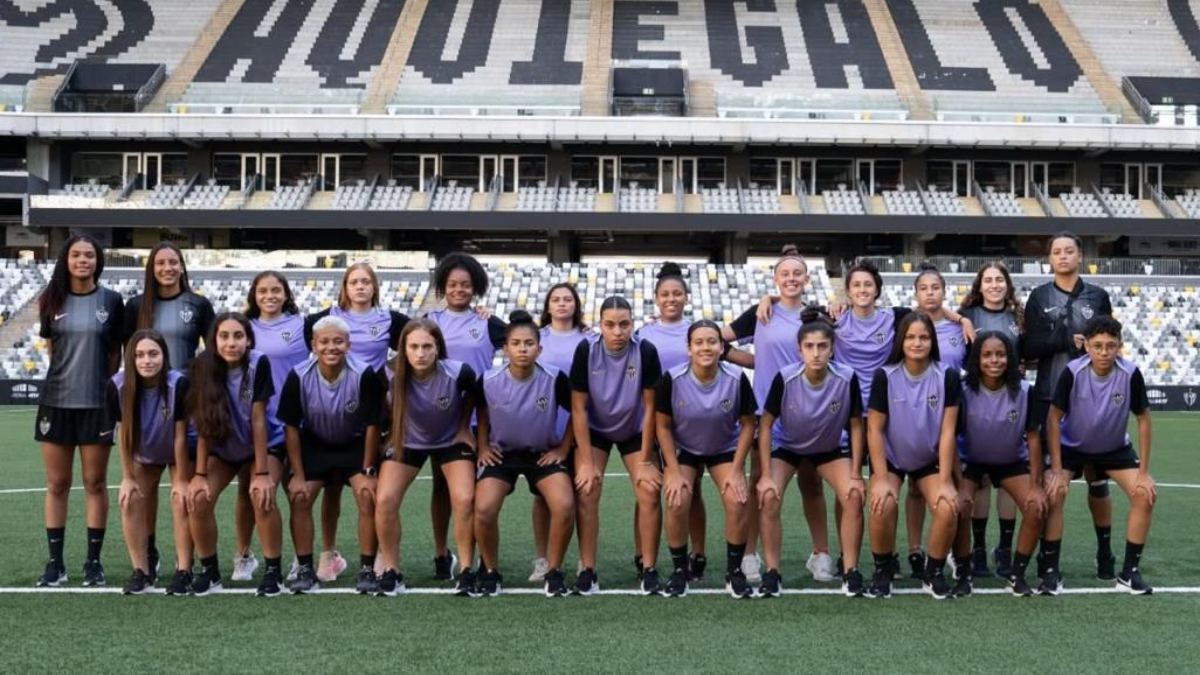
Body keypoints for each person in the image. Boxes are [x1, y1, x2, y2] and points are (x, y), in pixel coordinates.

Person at [304, 262, 408, 583]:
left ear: (374, 286)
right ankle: (329, 554)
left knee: (374, 488)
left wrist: (388, 373)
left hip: (373, 414)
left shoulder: (390, 319)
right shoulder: (325, 317)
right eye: (354, 282)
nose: (360, 286)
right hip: (334, 411)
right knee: (331, 487)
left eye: (366, 281)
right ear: (345, 287)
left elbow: (421, 340)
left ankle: (381, 552)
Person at [1024, 232, 1117, 580]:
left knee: (1097, 478)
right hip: (1050, 398)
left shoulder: (1098, 296)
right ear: (1049, 259)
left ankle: (1105, 552)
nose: (1063, 256)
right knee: (1052, 481)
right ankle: (1049, 559)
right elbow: (1029, 347)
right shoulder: (1039, 297)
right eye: (1057, 252)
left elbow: (1109, 341)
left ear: (1080, 256)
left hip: (1092, 400)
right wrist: (1064, 340)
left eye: (1069, 251)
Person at [123, 242, 217, 582]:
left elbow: (212, 353)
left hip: (185, 406)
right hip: (146, 408)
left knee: (182, 492)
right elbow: (128, 354)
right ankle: (147, 554)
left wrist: (202, 391)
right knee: (143, 490)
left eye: (173, 262)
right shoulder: (136, 306)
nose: (167, 268)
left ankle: (184, 563)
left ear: (182, 266)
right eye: (160, 262)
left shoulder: (198, 304)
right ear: (151, 268)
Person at [730, 246, 825, 583]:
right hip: (766, 413)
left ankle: (820, 554)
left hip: (809, 411)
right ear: (775, 279)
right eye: (785, 274)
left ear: (807, 279)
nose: (791, 279)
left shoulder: (816, 315)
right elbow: (720, 340)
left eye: (797, 273)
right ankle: (750, 554)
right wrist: (758, 363)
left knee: (812, 482)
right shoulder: (760, 312)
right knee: (760, 481)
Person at [756, 309, 866, 597]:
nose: (816, 353)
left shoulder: (846, 377)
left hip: (829, 449)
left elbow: (856, 424)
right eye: (809, 346)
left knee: (853, 495)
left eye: (822, 346)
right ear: (799, 349)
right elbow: (765, 424)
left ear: (832, 348)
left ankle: (850, 571)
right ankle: (772, 572)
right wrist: (765, 475)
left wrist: (856, 474)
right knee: (768, 496)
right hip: (788, 447)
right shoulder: (785, 378)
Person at [34, 235, 124, 587]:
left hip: (96, 405)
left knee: (94, 482)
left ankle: (93, 563)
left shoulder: (111, 300)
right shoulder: (51, 299)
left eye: (89, 255)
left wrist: (101, 386)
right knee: (57, 483)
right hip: (56, 402)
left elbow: (115, 352)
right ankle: (55, 563)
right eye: (76, 255)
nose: (83, 260)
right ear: (66, 260)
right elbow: (52, 350)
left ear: (97, 261)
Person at [1044, 316, 1156, 595]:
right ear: (1087, 347)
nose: (1104, 352)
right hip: (1072, 447)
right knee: (1054, 493)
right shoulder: (1073, 372)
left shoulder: (1130, 373)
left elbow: (1143, 418)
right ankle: (1050, 571)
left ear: (1120, 346)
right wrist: (1056, 469)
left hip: (1113, 448)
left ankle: (1129, 573)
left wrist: (1144, 472)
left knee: (1145, 494)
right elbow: (1053, 418)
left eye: (1110, 346)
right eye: (1097, 346)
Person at [474, 311, 576, 597]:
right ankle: (491, 571)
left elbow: (577, 412)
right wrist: (483, 446)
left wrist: (563, 448)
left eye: (529, 343)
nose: (522, 349)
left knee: (564, 505)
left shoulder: (554, 378)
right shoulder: (489, 379)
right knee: (483, 509)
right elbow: (481, 412)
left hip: (542, 454)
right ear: (505, 349)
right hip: (502, 455)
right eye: (516, 344)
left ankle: (553, 571)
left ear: (539, 349)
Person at [279, 316, 384, 595]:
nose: (331, 347)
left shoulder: (364, 374)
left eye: (338, 341)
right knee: (299, 496)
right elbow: (291, 427)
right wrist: (297, 474)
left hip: (355, 445)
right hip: (316, 444)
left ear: (348, 344)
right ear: (313, 345)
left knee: (367, 494)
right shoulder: (298, 375)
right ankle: (305, 569)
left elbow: (373, 425)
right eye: (324, 341)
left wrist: (368, 469)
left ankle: (367, 568)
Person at [375, 319, 479, 596]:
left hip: (449, 441)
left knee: (464, 498)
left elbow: (474, 396)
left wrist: (463, 428)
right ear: (403, 348)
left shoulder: (458, 372)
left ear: (438, 348)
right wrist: (389, 433)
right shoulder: (387, 373)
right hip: (409, 441)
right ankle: (392, 570)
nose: (420, 353)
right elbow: (378, 408)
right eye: (413, 347)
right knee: (384, 499)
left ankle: (466, 570)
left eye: (427, 346)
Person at [655, 320, 757, 598]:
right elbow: (662, 426)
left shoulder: (736, 378)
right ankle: (680, 571)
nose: (705, 347)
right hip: (685, 448)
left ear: (722, 347)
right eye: (698, 342)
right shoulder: (672, 379)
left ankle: (734, 573)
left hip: (723, 447)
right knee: (677, 498)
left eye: (712, 341)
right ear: (688, 348)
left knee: (737, 499)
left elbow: (749, 424)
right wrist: (673, 470)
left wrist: (737, 469)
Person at [185, 313, 285, 596]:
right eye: (224, 336)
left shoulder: (258, 362)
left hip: (263, 445)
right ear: (214, 341)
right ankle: (210, 571)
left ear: (248, 340)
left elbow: (258, 420)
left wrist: (262, 473)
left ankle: (273, 571)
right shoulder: (202, 366)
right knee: (199, 499)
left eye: (238, 336)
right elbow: (204, 424)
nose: (231, 343)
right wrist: (199, 474)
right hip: (224, 448)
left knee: (261, 495)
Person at [570, 296, 662, 595]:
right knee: (587, 489)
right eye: (610, 325)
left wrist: (646, 461)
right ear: (600, 325)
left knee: (649, 491)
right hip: (596, 428)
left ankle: (648, 567)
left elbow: (650, 408)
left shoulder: (645, 350)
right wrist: (586, 462)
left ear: (632, 324)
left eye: (624, 324)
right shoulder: (586, 349)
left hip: (634, 428)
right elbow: (578, 409)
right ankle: (587, 568)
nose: (617, 331)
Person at [865, 312, 960, 600]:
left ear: (932, 341)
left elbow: (948, 431)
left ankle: (933, 571)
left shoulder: (947, 376)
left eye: (924, 337)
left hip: (929, 459)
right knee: (882, 502)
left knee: (948, 507)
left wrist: (945, 480)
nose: (917, 343)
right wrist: (881, 478)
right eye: (910, 337)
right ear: (900, 341)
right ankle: (883, 570)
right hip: (892, 459)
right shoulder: (885, 375)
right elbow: (874, 429)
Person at [426, 252, 506, 581]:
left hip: (475, 421)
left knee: (470, 491)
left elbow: (527, 339)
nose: (459, 290)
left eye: (466, 285)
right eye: (453, 284)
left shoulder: (488, 323)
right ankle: (440, 553)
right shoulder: (430, 321)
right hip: (435, 418)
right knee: (440, 487)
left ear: (476, 288)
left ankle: (474, 556)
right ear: (443, 287)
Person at [950, 332, 1046, 597]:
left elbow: (1034, 439)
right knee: (960, 507)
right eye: (987, 355)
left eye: (1001, 354)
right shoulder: (963, 390)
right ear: (977, 359)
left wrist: (1036, 485)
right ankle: (964, 571)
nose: (994, 360)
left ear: (1010, 358)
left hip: (1010, 461)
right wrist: (958, 483)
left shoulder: (1024, 391)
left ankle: (1017, 573)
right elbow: (948, 438)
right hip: (971, 461)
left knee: (1036, 508)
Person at [235, 271, 310, 583]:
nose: (269, 296)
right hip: (257, 425)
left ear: (286, 293)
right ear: (254, 295)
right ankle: (243, 555)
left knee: (297, 494)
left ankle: (301, 559)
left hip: (297, 423)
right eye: (263, 290)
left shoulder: (302, 325)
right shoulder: (243, 328)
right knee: (250, 489)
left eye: (276, 290)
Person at [109, 330, 192, 594]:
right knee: (130, 499)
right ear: (131, 359)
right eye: (140, 355)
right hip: (145, 453)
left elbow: (180, 436)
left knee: (181, 500)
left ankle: (184, 569)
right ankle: (141, 571)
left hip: (178, 451)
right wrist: (127, 477)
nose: (147, 361)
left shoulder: (178, 384)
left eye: (153, 354)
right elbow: (123, 433)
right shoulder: (118, 386)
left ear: (164, 356)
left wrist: (181, 481)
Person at [959, 262, 1025, 578]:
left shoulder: (1018, 317)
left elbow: (1028, 351)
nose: (994, 285)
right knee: (982, 477)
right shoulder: (967, 315)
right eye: (988, 280)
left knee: (1008, 476)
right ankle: (979, 548)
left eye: (1000, 279)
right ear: (979, 285)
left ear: (1007, 285)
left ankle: (1005, 548)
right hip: (977, 394)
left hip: (1010, 396)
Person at [528, 283, 589, 582]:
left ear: (576, 305)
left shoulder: (589, 338)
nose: (562, 303)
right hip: (546, 427)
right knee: (544, 496)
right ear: (548, 306)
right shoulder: (536, 338)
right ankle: (543, 560)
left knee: (583, 495)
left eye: (568, 299)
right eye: (556, 299)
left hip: (583, 426)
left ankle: (584, 559)